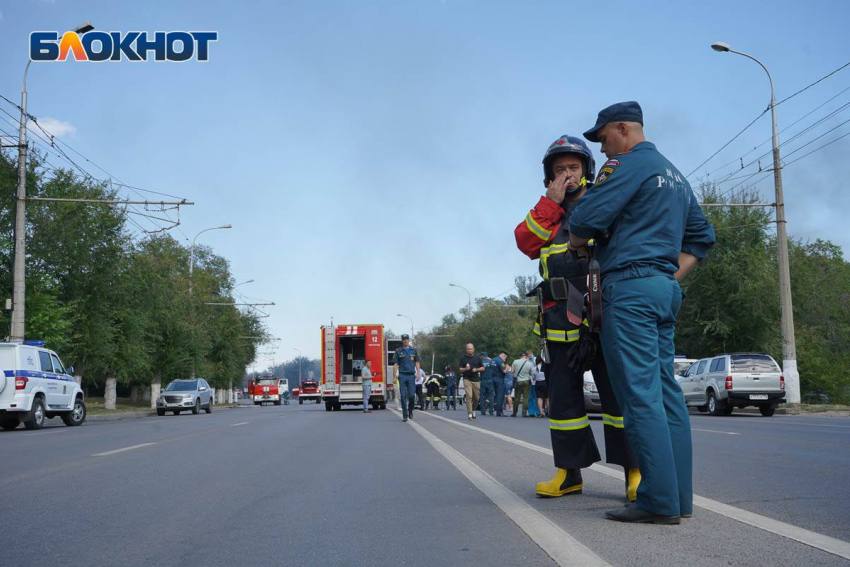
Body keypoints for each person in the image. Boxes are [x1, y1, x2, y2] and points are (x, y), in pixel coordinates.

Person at [568, 102, 716, 524]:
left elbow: (584, 221)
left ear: (623, 129)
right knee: (668, 395)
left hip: (630, 289)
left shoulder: (628, 165)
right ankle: (678, 499)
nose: (601, 150)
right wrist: (666, 275)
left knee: (640, 395)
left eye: (604, 139)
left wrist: (581, 238)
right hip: (663, 289)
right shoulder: (676, 175)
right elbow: (702, 237)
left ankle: (656, 501)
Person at [514, 134, 640, 504]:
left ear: (587, 170)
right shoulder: (545, 213)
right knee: (564, 402)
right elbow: (525, 243)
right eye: (558, 170)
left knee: (618, 399)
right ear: (549, 178)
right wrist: (550, 204)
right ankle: (569, 474)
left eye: (572, 167)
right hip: (557, 321)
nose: (566, 175)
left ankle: (634, 471)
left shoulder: (604, 204)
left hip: (602, 317)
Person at [392, 334, 421, 422]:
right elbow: (395, 365)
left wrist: (418, 373)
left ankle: (410, 410)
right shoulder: (398, 351)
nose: (406, 341)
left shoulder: (414, 350)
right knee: (403, 396)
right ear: (402, 341)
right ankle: (405, 415)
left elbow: (417, 362)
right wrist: (394, 377)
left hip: (411, 375)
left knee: (412, 395)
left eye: (407, 339)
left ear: (409, 340)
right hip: (402, 376)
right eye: (404, 339)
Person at [459, 343, 484, 420]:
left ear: (473, 349)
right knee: (469, 396)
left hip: (476, 379)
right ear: (466, 350)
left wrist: (476, 369)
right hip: (467, 379)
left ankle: (473, 410)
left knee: (476, 397)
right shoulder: (463, 358)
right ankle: (469, 413)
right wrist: (465, 369)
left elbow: (483, 368)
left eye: (471, 349)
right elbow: (460, 369)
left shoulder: (477, 358)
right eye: (468, 349)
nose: (470, 350)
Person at [510, 351, 533, 417]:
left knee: (517, 398)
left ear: (520, 356)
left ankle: (514, 413)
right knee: (526, 398)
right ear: (526, 356)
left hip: (518, 381)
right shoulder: (529, 363)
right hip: (526, 381)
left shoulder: (515, 361)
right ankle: (524, 413)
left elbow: (512, 371)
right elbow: (531, 373)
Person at [492, 352, 508, 416]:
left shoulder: (493, 360)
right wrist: (507, 367)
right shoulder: (501, 361)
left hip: (493, 379)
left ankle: (495, 409)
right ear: (503, 356)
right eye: (505, 357)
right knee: (500, 396)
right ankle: (499, 412)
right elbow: (504, 371)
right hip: (500, 379)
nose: (505, 359)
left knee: (495, 396)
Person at [478, 352, 495, 416]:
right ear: (487, 355)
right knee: (491, 396)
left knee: (482, 396)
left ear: (481, 356)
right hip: (490, 380)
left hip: (483, 380)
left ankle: (483, 411)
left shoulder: (480, 362)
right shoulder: (491, 361)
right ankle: (491, 411)